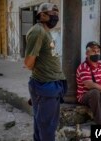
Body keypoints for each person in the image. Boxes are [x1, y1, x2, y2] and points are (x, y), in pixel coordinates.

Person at [24, 3, 67, 141]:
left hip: (49, 85)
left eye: (57, 15)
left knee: (41, 123)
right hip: (45, 86)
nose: (55, 17)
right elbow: (28, 63)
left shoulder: (45, 31)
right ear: (42, 15)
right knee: (48, 126)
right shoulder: (38, 32)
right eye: (52, 14)